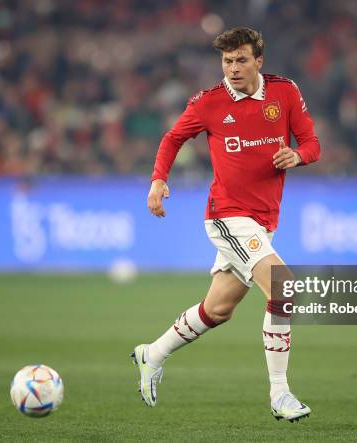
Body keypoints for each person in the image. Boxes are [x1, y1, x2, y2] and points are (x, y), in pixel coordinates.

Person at [131, 26, 320, 422]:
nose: (233, 69)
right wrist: (158, 181)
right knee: (284, 288)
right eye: (227, 61)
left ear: (259, 61)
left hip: (265, 219)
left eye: (241, 60)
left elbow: (312, 143)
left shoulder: (285, 92)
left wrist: (298, 156)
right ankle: (280, 393)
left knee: (217, 310)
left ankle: (152, 353)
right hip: (227, 215)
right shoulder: (209, 102)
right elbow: (171, 139)